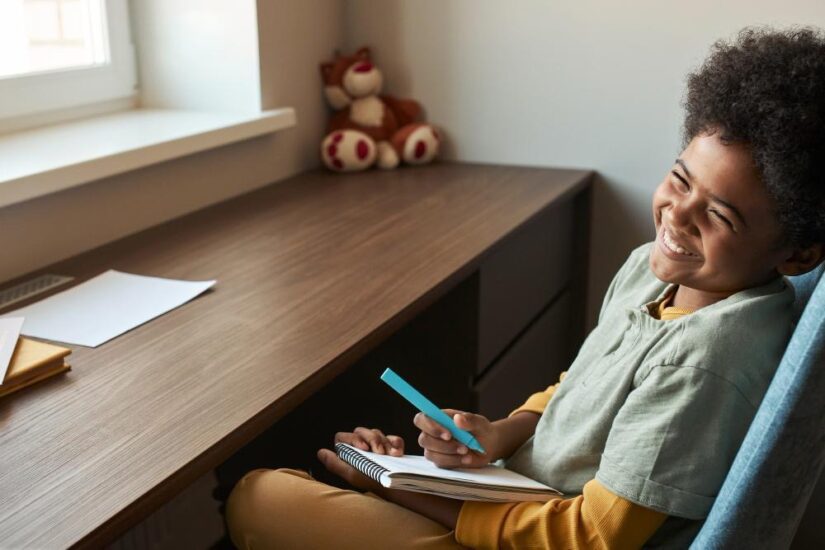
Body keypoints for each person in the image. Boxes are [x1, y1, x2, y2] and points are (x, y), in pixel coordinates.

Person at [224, 26, 825, 549]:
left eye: (719, 216)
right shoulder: (651, 270)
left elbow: (592, 538)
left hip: (542, 533)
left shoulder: (706, 361)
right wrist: (497, 434)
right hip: (518, 498)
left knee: (259, 496)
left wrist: (398, 492)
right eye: (679, 178)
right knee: (309, 476)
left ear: (798, 254)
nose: (677, 214)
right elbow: (580, 386)